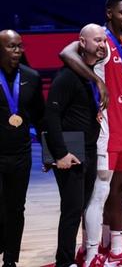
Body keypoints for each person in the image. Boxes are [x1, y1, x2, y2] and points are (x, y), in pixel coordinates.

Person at [60, 0, 122, 266]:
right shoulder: (102, 42)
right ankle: (90, 254)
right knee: (99, 194)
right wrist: (96, 80)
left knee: (118, 193)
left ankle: (114, 249)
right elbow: (66, 53)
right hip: (106, 132)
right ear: (109, 14)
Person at [45, 24, 106, 267]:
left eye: (104, 41)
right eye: (97, 40)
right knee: (71, 210)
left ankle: (79, 254)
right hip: (71, 149)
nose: (102, 45)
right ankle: (64, 262)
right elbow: (51, 116)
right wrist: (60, 153)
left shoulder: (89, 73)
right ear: (82, 42)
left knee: (81, 206)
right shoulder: (67, 77)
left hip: (89, 147)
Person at [0, 29, 44, 267]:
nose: (17, 51)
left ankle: (10, 260)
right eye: (11, 46)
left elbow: (41, 118)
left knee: (16, 208)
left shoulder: (31, 77)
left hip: (20, 155)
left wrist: (51, 153)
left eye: (20, 46)